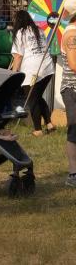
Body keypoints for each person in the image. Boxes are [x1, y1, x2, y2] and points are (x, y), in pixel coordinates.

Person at [10, 10, 56, 135]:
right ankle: (49, 124)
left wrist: (13, 75)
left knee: (32, 99)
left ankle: (37, 130)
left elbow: (18, 57)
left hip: (32, 70)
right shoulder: (39, 30)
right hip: (47, 68)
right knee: (37, 96)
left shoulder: (20, 33)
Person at [59, 13, 76, 188]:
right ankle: (73, 174)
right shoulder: (72, 35)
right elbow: (73, 64)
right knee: (74, 131)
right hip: (72, 90)